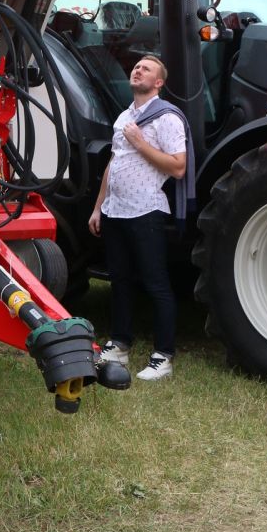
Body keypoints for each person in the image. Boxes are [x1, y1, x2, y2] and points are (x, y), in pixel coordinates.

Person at [88, 55, 187, 381]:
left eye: (147, 68)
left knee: (156, 283)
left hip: (146, 210)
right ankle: (119, 344)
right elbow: (113, 164)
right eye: (136, 66)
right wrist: (98, 206)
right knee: (120, 281)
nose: (138, 69)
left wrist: (140, 142)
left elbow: (177, 167)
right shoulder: (124, 116)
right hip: (116, 210)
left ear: (158, 82)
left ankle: (163, 356)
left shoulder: (167, 118)